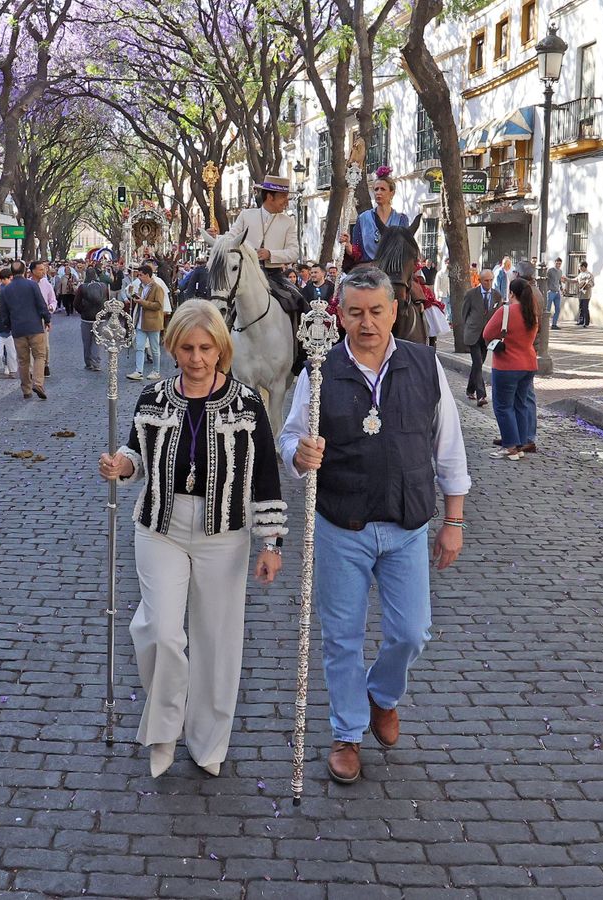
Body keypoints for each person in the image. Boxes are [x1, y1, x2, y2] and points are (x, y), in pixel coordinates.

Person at [281, 267, 469, 785]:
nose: (367, 323)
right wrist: (300, 453)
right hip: (342, 523)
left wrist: (453, 519)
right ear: (340, 315)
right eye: (356, 312)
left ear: (394, 311)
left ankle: (382, 694)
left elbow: (448, 448)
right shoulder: (318, 371)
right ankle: (347, 733)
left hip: (406, 523)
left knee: (412, 632)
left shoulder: (424, 364)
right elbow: (290, 436)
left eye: (376, 311)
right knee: (341, 637)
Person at [98, 300, 285, 777]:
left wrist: (271, 543)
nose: (196, 358)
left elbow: (265, 476)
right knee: (159, 631)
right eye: (186, 347)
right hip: (160, 525)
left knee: (218, 641)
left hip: (225, 532)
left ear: (221, 348)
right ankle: (164, 729)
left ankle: (208, 741)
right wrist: (123, 465)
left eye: (205, 347)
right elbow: (138, 453)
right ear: (172, 346)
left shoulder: (246, 403)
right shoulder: (154, 399)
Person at [221, 175, 303, 316]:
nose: (286, 202)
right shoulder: (246, 215)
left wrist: (271, 254)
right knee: (225, 305)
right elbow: (230, 237)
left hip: (274, 276)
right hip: (246, 275)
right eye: (283, 197)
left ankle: (299, 337)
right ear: (270, 197)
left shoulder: (288, 221)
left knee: (299, 300)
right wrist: (217, 237)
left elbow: (294, 252)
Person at [482, 277, 540, 459]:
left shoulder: (505, 311)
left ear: (512, 293)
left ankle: (510, 446)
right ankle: (520, 443)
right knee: (520, 404)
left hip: (507, 364)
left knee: (503, 406)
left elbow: (487, 333)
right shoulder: (532, 313)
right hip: (528, 363)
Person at [0, 260, 52, 399]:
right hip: (35, 326)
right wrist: (47, 319)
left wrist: (8, 325)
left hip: (18, 329)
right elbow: (41, 304)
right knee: (39, 356)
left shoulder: (6, 290)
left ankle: (26, 389)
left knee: (23, 360)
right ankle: (38, 382)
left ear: (12, 273)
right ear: (25, 270)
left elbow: (3, 311)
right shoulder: (32, 285)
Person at [339, 167, 411, 266]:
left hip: (392, 270)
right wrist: (348, 245)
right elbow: (357, 252)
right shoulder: (363, 218)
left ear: (392, 193)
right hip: (368, 270)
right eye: (376, 189)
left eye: (383, 189)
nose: (378, 192)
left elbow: (405, 249)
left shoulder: (401, 219)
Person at [460, 270, 497, 407]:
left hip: (487, 336)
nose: (489, 283)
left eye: (491, 280)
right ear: (480, 281)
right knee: (477, 361)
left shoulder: (496, 295)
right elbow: (464, 314)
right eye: (486, 280)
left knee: (478, 364)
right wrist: (468, 329)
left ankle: (470, 389)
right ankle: (481, 395)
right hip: (473, 334)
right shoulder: (471, 294)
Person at [127, 263, 166, 382]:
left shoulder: (157, 288)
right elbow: (140, 301)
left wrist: (142, 302)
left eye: (141, 275)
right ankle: (138, 371)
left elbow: (158, 305)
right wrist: (134, 297)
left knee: (154, 349)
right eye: (138, 275)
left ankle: (156, 371)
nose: (139, 277)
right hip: (141, 322)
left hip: (153, 323)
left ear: (148, 275)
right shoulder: (141, 287)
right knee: (139, 347)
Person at [77, 270, 109, 371]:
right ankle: (96, 363)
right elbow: (107, 300)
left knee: (86, 341)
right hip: (100, 318)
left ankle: (88, 362)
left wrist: (82, 311)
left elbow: (76, 303)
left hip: (86, 318)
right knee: (97, 341)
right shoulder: (103, 286)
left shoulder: (82, 287)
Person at [0, 267, 18, 378]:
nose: (3, 282)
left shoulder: (15, 289)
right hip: (0, 322)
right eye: (2, 279)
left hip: (12, 324)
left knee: (11, 351)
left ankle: (12, 370)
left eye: (5, 279)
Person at [544, 257, 565, 330]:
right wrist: (547, 289)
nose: (558, 265)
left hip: (557, 292)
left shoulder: (560, 271)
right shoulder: (550, 271)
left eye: (559, 263)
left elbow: (559, 281)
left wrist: (561, 289)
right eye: (557, 263)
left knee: (558, 309)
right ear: (555, 263)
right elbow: (546, 280)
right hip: (551, 291)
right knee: (548, 309)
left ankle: (554, 324)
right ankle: (545, 324)